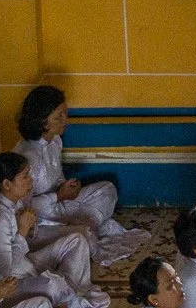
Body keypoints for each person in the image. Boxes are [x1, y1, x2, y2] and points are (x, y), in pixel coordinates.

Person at [14, 86, 144, 260]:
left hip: (60, 206)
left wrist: (68, 187)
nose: (65, 120)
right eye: (58, 117)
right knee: (84, 236)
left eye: (65, 113)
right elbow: (23, 209)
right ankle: (79, 230)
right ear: (43, 122)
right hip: (38, 223)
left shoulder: (55, 141)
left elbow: (58, 177)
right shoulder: (27, 157)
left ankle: (77, 227)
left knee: (107, 189)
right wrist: (58, 196)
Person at [0, 151, 108, 308]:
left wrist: (29, 228)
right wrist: (23, 230)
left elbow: (25, 241)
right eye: (25, 177)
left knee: (77, 240)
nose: (31, 181)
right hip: (11, 284)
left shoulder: (15, 201)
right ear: (7, 184)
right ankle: (63, 293)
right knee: (53, 285)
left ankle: (75, 290)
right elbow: (6, 268)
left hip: (26, 264)